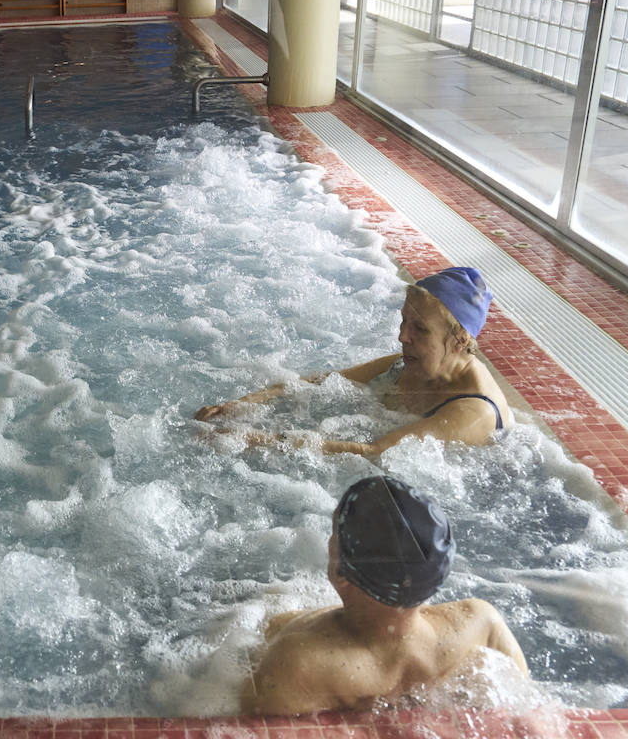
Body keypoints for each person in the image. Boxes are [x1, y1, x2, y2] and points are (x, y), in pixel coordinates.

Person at [242, 476, 528, 716]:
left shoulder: (296, 663)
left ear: (342, 574)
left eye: (334, 535)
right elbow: (524, 703)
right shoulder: (481, 624)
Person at [194, 267, 511, 457]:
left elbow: (376, 453)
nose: (403, 336)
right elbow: (329, 380)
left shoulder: (474, 412)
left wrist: (255, 440)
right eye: (403, 322)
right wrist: (245, 403)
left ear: (461, 340)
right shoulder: (415, 363)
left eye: (420, 329)